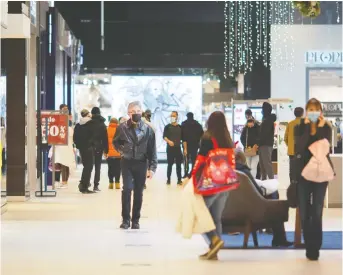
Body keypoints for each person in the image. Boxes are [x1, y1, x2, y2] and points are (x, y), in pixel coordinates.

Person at [188, 111, 233, 260]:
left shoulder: (207, 138)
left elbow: (200, 159)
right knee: (216, 217)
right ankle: (214, 250)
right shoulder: (227, 138)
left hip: (210, 182)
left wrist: (191, 175)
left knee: (199, 213)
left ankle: (214, 239)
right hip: (225, 182)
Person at [294, 98, 332, 261]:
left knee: (316, 211)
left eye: (316, 109)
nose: (313, 112)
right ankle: (308, 244)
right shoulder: (299, 126)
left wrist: (318, 130)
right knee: (304, 212)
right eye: (310, 109)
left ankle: (315, 247)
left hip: (321, 173)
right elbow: (300, 146)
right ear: (306, 111)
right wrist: (309, 129)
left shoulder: (327, 127)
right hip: (303, 173)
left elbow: (325, 147)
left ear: (321, 111)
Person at [113, 101, 157, 230]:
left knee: (139, 192)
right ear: (128, 113)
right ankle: (125, 219)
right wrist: (122, 151)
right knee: (127, 189)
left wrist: (152, 168)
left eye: (138, 111)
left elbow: (152, 150)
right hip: (126, 162)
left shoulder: (148, 129)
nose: (136, 114)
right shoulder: (121, 128)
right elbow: (115, 142)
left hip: (142, 163)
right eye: (133, 112)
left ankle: (135, 220)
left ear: (141, 112)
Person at [235, 150, 292, 247]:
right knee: (275, 200)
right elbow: (258, 192)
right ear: (242, 159)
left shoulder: (225, 173)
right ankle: (279, 237)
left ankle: (275, 232)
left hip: (232, 211)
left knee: (273, 197)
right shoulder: (245, 173)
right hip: (249, 211)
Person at [73, 109, 95, 194]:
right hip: (89, 148)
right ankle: (84, 186)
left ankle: (83, 184)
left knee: (86, 166)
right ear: (88, 114)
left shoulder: (78, 125)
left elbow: (75, 138)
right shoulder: (91, 124)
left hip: (81, 148)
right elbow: (94, 136)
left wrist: (79, 145)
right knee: (89, 167)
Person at [284, 107, 304, 188]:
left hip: (292, 152)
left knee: (292, 171)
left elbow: (285, 138)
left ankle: (293, 188)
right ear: (302, 114)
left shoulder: (290, 124)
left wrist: (290, 146)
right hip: (303, 153)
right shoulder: (306, 124)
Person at [90, 107, 108, 192]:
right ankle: (96, 185)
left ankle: (86, 183)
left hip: (88, 147)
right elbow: (105, 138)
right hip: (98, 147)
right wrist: (106, 150)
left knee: (88, 166)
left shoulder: (89, 123)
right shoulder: (102, 124)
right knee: (97, 167)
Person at [181, 112, 204, 178]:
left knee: (186, 160)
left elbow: (182, 135)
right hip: (195, 145)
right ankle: (193, 173)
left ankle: (186, 173)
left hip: (186, 145)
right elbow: (202, 134)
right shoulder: (197, 124)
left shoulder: (184, 124)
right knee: (194, 160)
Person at [163, 111, 183, 185]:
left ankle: (179, 180)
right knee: (170, 165)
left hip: (178, 148)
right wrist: (169, 141)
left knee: (179, 165)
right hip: (170, 149)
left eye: (174, 116)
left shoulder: (180, 127)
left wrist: (185, 149)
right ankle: (168, 179)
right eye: (171, 116)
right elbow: (164, 137)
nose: (172, 117)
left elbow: (183, 139)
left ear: (177, 117)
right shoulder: (167, 127)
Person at [258, 102, 276, 180]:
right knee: (262, 164)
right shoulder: (265, 119)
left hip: (266, 144)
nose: (262, 110)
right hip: (262, 144)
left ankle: (272, 180)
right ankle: (264, 181)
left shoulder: (268, 120)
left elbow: (264, 133)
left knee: (267, 163)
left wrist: (258, 140)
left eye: (262, 108)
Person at [107, 118, 121, 190]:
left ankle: (111, 183)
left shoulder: (107, 130)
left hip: (109, 154)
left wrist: (105, 152)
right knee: (118, 169)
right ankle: (117, 183)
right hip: (118, 153)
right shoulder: (119, 130)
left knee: (110, 168)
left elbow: (105, 143)